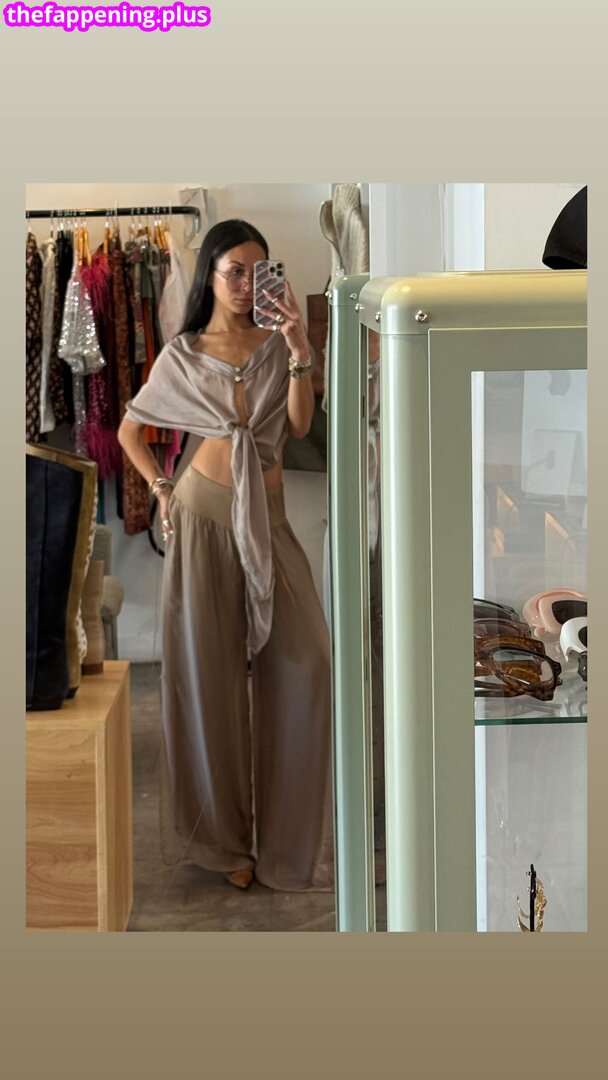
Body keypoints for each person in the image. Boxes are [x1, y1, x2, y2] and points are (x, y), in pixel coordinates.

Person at [118, 219, 334, 893]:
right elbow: (129, 432)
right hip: (203, 517)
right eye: (233, 271)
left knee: (307, 662)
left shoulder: (276, 344)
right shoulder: (184, 355)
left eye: (257, 271)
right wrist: (160, 488)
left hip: (268, 519)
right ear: (209, 275)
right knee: (206, 678)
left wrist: (297, 346)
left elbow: (298, 425)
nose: (245, 284)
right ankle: (223, 843)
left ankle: (287, 841)